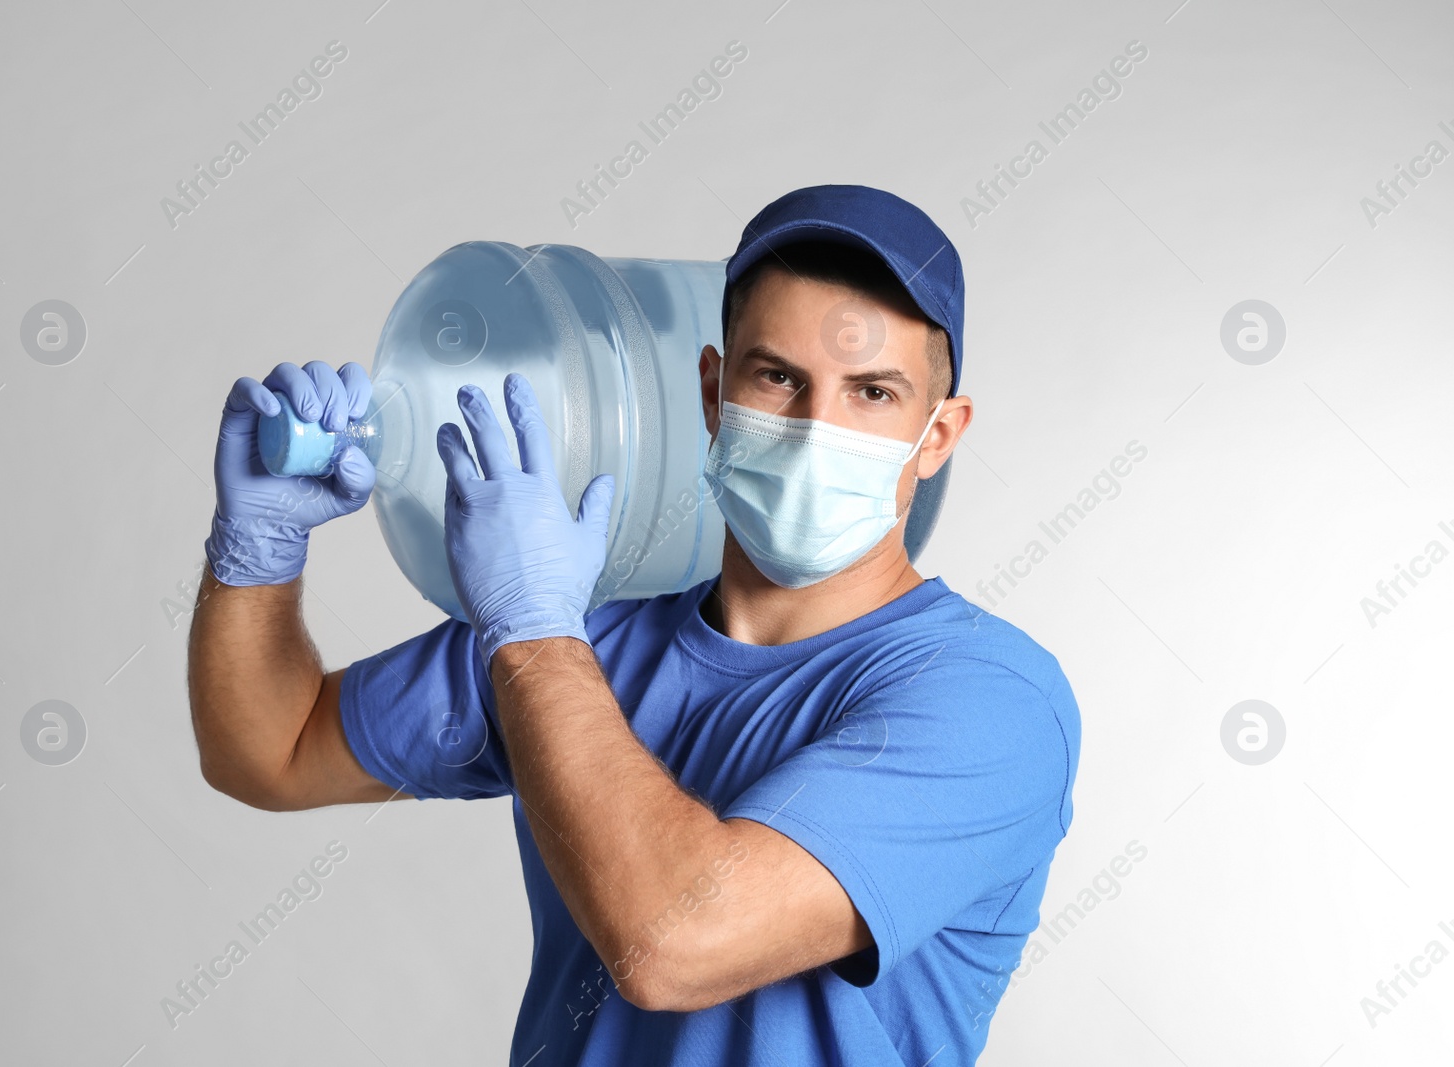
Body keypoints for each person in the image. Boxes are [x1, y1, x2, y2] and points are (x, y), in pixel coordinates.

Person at [188, 184, 1081, 1066]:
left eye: (873, 393)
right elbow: (269, 748)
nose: (817, 429)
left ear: (938, 434)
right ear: (711, 391)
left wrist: (533, 631)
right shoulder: (586, 642)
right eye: (778, 377)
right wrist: (259, 547)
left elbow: (676, 942)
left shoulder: (990, 701)